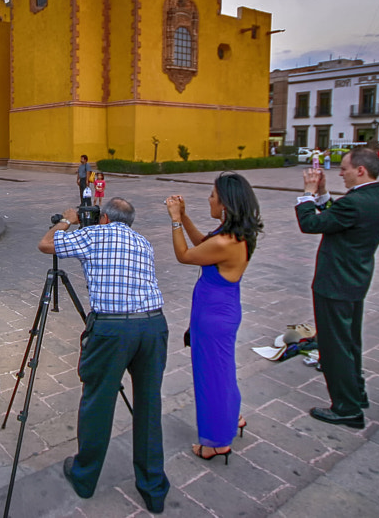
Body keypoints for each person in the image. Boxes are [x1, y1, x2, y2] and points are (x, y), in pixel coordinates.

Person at [38, 197, 169, 513]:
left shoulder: (94, 235)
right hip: (153, 325)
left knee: (98, 401)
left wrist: (67, 220)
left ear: (106, 220)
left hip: (113, 330)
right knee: (149, 404)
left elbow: (45, 245)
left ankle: (84, 478)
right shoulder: (143, 241)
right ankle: (153, 489)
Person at [165, 173, 262, 464]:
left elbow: (185, 254)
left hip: (214, 317)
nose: (209, 199)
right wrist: (185, 216)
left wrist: (174, 220)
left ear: (225, 203)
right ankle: (232, 418)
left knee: (211, 378)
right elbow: (201, 244)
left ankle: (216, 442)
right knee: (222, 372)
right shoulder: (231, 233)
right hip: (220, 310)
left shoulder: (226, 241)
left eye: (212, 195)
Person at [296, 148, 379, 429]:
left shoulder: (355, 202)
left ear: (360, 170)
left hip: (335, 283)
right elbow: (337, 219)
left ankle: (347, 409)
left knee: (334, 347)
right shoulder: (378, 199)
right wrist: (324, 194)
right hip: (354, 280)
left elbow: (311, 223)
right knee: (350, 343)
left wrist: (307, 193)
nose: (340, 173)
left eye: (345, 168)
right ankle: (357, 394)